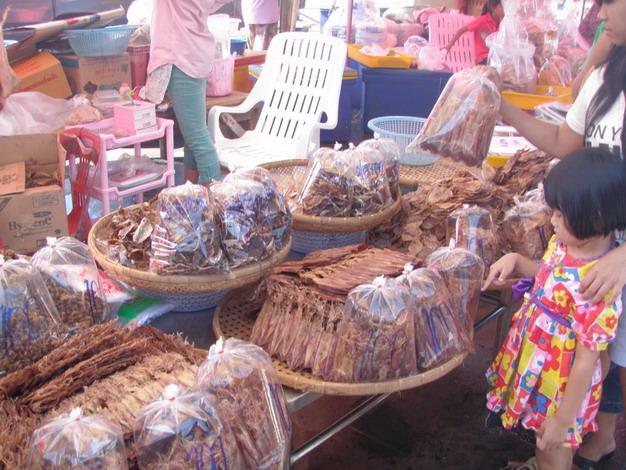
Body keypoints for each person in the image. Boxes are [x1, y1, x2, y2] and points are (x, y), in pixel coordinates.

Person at [499, 1, 626, 468]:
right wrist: (501, 105)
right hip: (596, 246)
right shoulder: (607, 77)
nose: (600, 12)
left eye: (610, 2)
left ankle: (580, 439)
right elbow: (561, 143)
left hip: (611, 256)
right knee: (596, 363)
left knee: (601, 363)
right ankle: (590, 440)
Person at [483, 148, 626, 470]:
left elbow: (588, 360)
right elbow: (548, 271)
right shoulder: (566, 246)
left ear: (596, 217)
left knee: (553, 444)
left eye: (560, 215)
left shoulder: (598, 285)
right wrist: (517, 261)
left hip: (562, 386)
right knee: (542, 438)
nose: (552, 220)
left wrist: (563, 419)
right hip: (541, 367)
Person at [147, 0, 232, 185]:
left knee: (197, 137)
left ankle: (216, 197)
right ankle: (191, 192)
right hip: (195, 54)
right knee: (193, 136)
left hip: (180, 57)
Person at [444, 0, 504, 65]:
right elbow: (461, 30)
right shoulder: (482, 20)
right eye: (502, 6)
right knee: (498, 67)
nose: (505, 9)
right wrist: (448, 46)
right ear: (494, 8)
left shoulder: (502, 22)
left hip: (495, 56)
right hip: (483, 57)